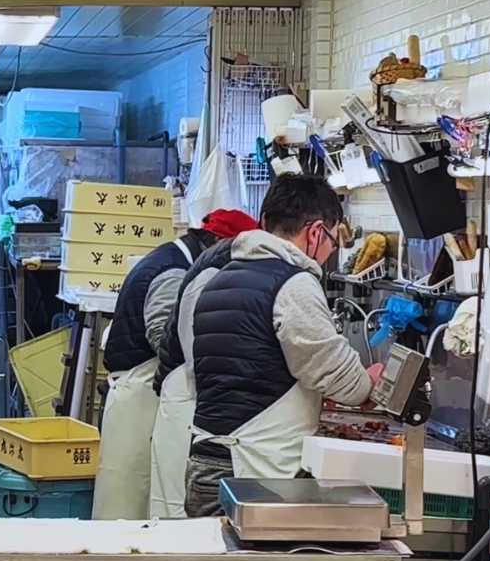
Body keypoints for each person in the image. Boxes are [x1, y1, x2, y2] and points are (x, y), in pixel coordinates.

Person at [185, 174, 378, 516]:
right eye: (333, 242)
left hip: (207, 460)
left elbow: (255, 370)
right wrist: (369, 381)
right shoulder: (293, 283)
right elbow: (341, 377)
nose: (328, 254)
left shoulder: (221, 278)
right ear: (317, 232)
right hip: (255, 471)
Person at [90, 209, 257, 519]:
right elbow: (164, 338)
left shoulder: (173, 260)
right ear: (217, 243)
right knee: (127, 505)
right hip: (139, 400)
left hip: (144, 392)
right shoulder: (173, 272)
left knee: (138, 506)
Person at [148, 232, 242, 518]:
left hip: (184, 402)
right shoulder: (207, 279)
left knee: (173, 518)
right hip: (186, 406)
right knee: (177, 517)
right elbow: (195, 353)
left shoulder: (207, 273)